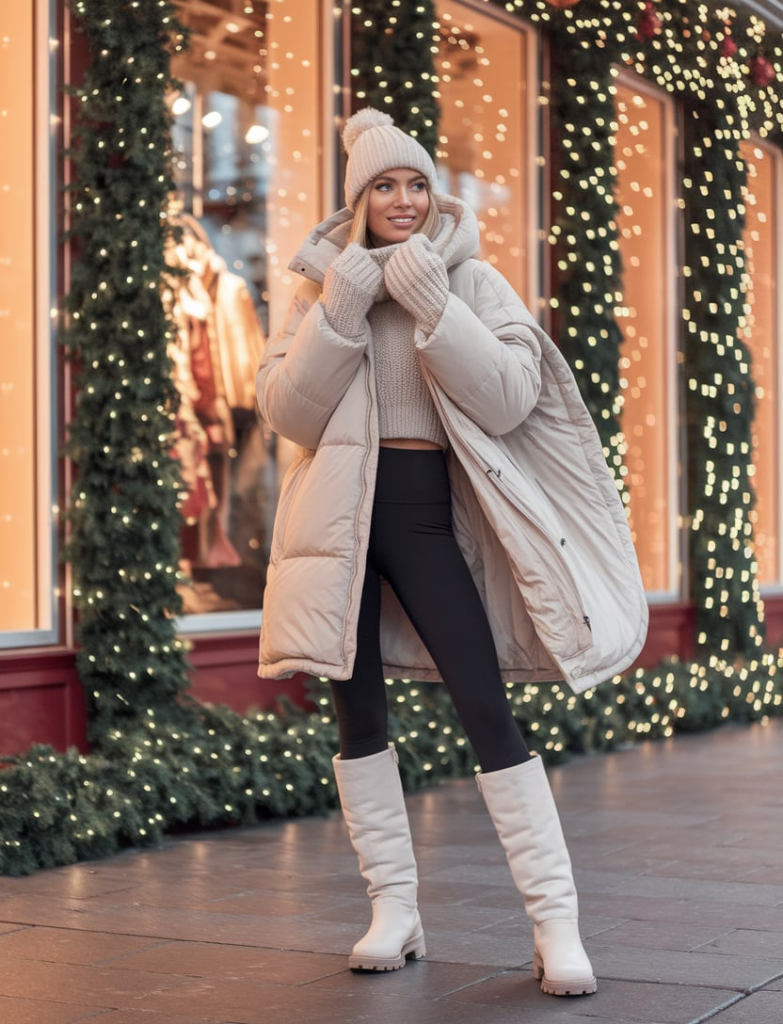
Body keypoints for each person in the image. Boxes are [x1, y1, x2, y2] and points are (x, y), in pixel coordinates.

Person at [255, 108, 648, 998]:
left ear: (435, 196)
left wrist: (433, 304)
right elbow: (287, 413)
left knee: (486, 709)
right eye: (383, 186)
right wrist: (344, 309)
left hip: (430, 521)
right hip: (337, 529)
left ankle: (555, 925)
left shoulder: (472, 280)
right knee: (357, 721)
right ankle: (392, 910)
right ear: (357, 202)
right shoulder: (320, 288)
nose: (401, 198)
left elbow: (512, 397)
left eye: (415, 183)